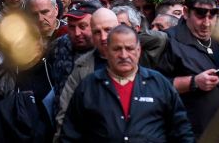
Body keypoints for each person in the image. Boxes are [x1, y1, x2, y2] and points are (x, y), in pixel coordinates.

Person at [60, 25, 195, 142]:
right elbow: (70, 134)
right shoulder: (89, 87)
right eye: (117, 49)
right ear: (107, 52)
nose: (124, 55)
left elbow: (182, 131)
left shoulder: (159, 84)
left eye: (129, 48)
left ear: (138, 51)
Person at [155, 0, 219, 139]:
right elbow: (156, 86)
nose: (207, 23)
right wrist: (193, 82)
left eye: (212, 15)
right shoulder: (170, 41)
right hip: (192, 133)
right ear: (185, 12)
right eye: (200, 14)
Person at [53, 8, 118, 139]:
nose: (104, 37)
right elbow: (65, 112)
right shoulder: (81, 66)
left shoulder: (137, 57)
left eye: (108, 30)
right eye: (97, 32)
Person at [47, 0, 102, 116]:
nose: (77, 33)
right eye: (72, 27)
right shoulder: (60, 45)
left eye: (83, 26)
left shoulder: (106, 52)